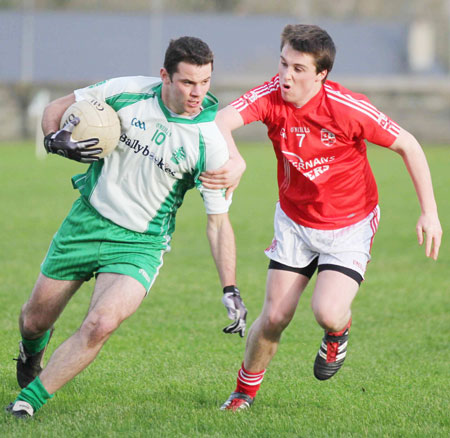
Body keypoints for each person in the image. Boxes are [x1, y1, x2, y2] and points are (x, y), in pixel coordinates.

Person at [200, 24, 442, 411]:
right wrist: (235, 159)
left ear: (321, 74)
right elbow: (220, 121)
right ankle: (243, 394)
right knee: (275, 316)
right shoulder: (271, 96)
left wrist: (429, 212)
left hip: (349, 225)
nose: (286, 76)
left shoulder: (346, 107)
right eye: (283, 64)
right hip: (296, 222)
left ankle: (338, 332)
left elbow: (409, 145)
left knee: (327, 312)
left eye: (298, 68)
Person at [6, 36, 248, 419]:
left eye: (204, 82)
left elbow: (218, 224)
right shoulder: (125, 91)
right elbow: (57, 107)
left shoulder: (210, 142)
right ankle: (31, 350)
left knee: (101, 323)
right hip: (85, 222)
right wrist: (55, 141)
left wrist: (230, 287)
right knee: (34, 319)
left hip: (140, 244)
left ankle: (28, 402)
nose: (197, 93)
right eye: (187, 82)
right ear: (165, 76)